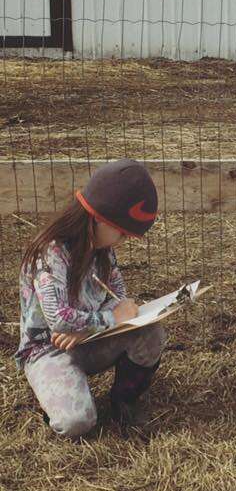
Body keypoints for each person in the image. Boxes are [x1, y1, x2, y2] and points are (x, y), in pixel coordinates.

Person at [15, 159, 165, 437]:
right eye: (121, 232)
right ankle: (52, 395)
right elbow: (59, 319)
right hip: (47, 349)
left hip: (88, 339)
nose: (122, 240)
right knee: (77, 422)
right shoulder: (50, 253)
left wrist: (87, 331)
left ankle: (124, 400)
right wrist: (110, 318)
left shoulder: (103, 250)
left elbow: (118, 298)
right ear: (98, 217)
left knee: (151, 332)